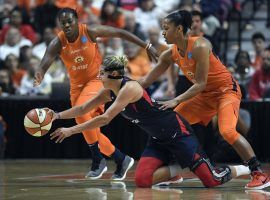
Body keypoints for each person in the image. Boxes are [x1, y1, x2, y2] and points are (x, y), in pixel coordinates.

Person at [48, 55, 250, 188]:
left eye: (102, 72)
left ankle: (244, 168)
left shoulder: (130, 88)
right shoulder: (108, 90)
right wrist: (57, 116)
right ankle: (182, 168)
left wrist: (71, 130)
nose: (98, 75)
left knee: (211, 180)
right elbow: (83, 108)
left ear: (115, 74)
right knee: (142, 180)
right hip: (157, 139)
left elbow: (105, 118)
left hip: (177, 132)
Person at [138, 10, 270, 189]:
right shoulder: (170, 54)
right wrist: (118, 86)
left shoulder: (200, 45)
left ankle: (259, 174)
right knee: (169, 125)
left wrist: (176, 100)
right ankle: (173, 174)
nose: (163, 33)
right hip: (204, 96)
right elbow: (145, 80)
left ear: (179, 29)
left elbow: (200, 83)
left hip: (225, 92)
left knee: (228, 132)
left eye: (166, 28)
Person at [33, 7, 157, 180]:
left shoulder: (89, 31)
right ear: (59, 25)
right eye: (63, 23)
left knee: (81, 112)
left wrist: (147, 45)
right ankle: (121, 159)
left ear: (77, 20)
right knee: (88, 124)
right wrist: (40, 72)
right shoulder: (58, 42)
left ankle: (98, 160)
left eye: (70, 21)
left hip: (97, 81)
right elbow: (46, 60)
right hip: (76, 87)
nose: (67, 25)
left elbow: (120, 33)